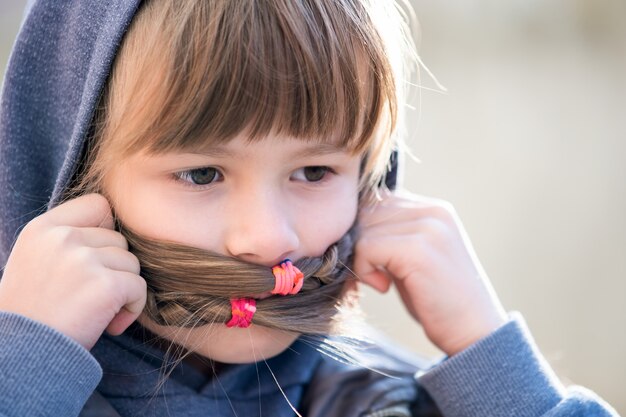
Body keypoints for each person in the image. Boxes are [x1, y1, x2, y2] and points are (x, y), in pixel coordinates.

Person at [0, 1, 618, 416]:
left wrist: (494, 363)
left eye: (314, 171)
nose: (269, 239)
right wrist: (24, 373)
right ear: (71, 172)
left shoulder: (378, 400)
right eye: (201, 173)